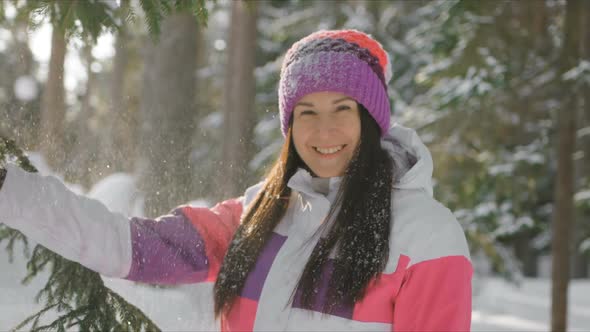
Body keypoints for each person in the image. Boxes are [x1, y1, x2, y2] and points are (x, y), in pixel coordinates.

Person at [0, 29, 472, 331]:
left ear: (371, 119)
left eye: (342, 110)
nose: (323, 130)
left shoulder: (427, 238)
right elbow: (126, 244)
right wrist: (7, 188)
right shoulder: (257, 218)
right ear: (289, 127)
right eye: (306, 113)